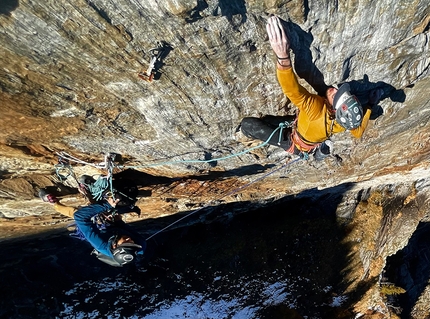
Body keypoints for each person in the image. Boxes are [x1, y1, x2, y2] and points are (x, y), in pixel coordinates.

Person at [240, 16, 384, 160]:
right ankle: (317, 152)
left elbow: (293, 90)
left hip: (294, 142)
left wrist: (283, 57)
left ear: (335, 109)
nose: (334, 89)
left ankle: (246, 136)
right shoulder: (343, 122)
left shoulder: (315, 109)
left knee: (247, 125)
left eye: (336, 96)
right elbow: (357, 132)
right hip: (305, 131)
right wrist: (370, 104)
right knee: (270, 120)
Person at [39, 178, 146, 267]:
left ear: (114, 246)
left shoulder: (100, 244)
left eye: (126, 242)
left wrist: (107, 205)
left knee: (77, 213)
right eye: (132, 242)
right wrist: (115, 217)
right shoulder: (140, 243)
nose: (130, 239)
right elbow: (121, 225)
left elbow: (80, 217)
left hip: (103, 232)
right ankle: (90, 191)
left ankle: (54, 203)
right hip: (114, 231)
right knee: (112, 213)